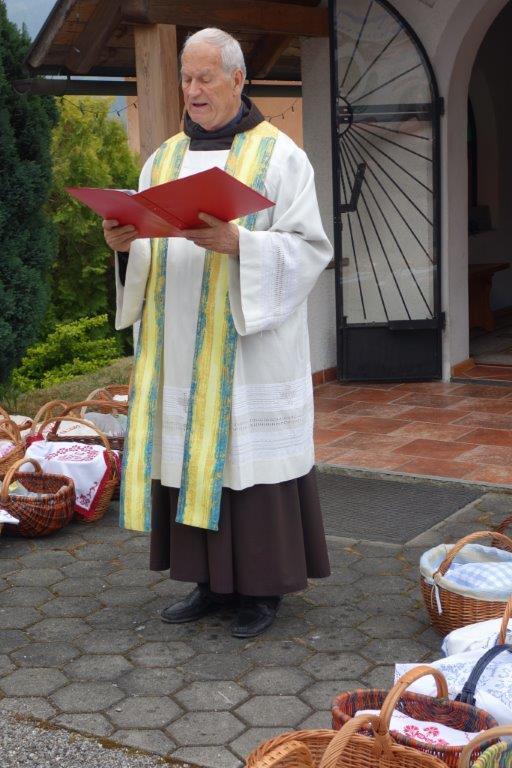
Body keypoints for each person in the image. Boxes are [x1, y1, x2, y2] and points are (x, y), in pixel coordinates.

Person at [103, 27, 332, 638]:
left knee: (245, 463)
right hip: (179, 344)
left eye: (205, 77)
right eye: (186, 78)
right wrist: (123, 242)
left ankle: (261, 590)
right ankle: (206, 582)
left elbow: (310, 248)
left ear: (237, 79)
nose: (193, 90)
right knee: (191, 457)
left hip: (248, 345)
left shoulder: (281, 157)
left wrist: (242, 245)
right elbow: (148, 244)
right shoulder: (163, 159)